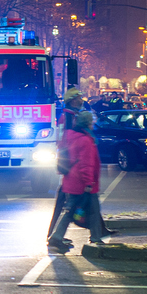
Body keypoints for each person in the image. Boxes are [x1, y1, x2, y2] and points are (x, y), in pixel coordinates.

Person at [47, 110, 103, 253]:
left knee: (71, 210)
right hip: (81, 182)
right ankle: (58, 237)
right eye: (91, 121)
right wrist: (89, 182)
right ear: (87, 123)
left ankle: (58, 236)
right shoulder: (85, 140)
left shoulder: (71, 135)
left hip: (71, 180)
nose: (93, 124)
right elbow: (86, 164)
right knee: (89, 210)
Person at [47, 88, 86, 246]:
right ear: (71, 100)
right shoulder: (68, 117)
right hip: (69, 163)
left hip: (68, 163)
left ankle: (54, 234)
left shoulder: (70, 115)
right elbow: (66, 141)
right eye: (78, 98)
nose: (81, 101)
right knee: (68, 201)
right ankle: (54, 236)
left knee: (64, 200)